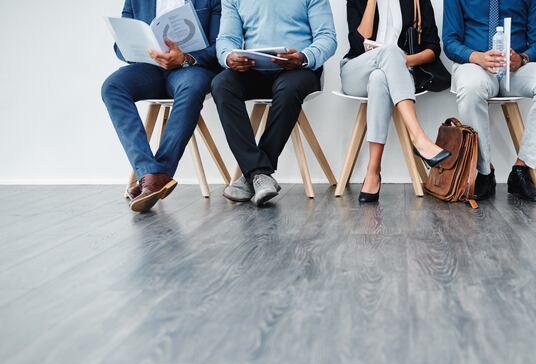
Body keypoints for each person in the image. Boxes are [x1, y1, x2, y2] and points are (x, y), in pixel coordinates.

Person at [212, 0, 337, 207]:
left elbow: (327, 37)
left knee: (288, 89)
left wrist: (304, 56)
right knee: (221, 84)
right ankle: (260, 174)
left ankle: (254, 174)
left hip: (298, 69)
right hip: (253, 70)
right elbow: (227, 38)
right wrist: (228, 56)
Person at [102, 0, 222, 213]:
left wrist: (185, 58)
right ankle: (150, 173)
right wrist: (139, 50)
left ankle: (157, 176)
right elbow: (120, 47)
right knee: (112, 87)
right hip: (151, 68)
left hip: (190, 67)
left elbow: (220, 46)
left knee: (192, 87)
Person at [443, 0, 536, 203]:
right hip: (475, 65)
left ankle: (522, 168)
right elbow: (450, 41)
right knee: (471, 87)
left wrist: (523, 58)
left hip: (515, 69)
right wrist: (476, 57)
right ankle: (484, 171)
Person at [342, 0, 452, 203]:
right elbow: (358, 45)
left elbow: (433, 48)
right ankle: (419, 138)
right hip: (356, 71)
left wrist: (404, 61)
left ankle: (373, 172)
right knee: (389, 53)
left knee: (379, 78)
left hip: (395, 74)